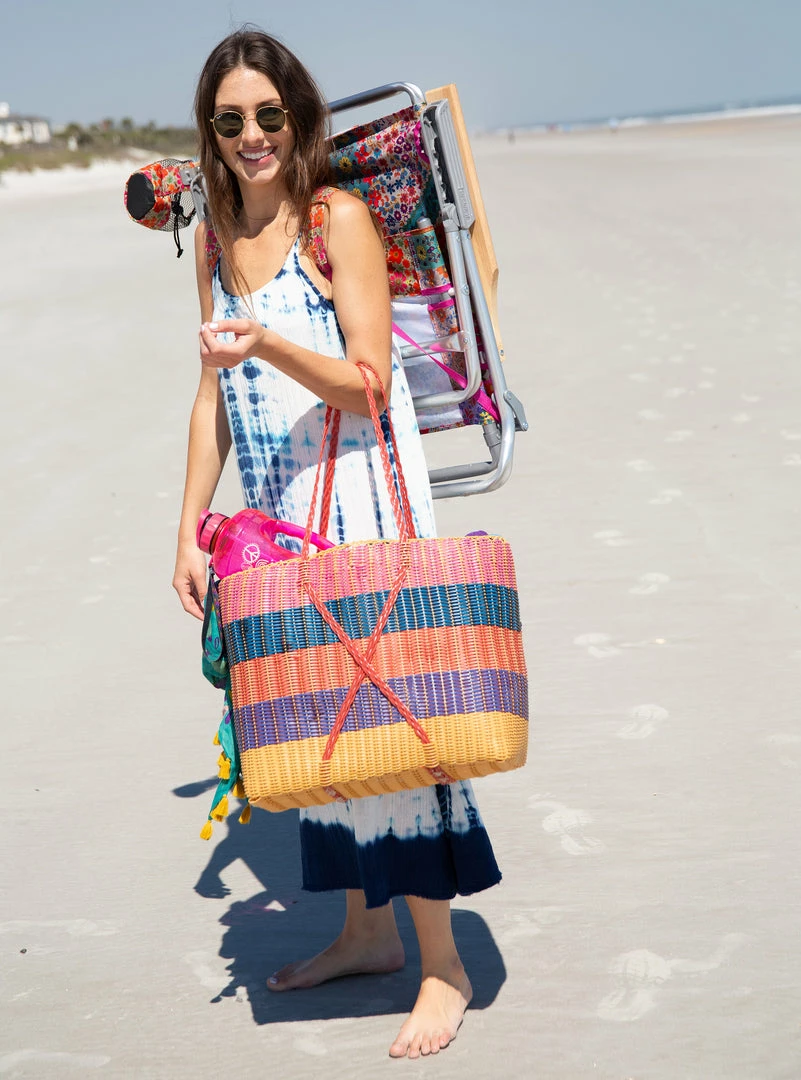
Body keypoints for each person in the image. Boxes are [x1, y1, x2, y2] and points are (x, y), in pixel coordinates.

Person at [172, 28, 502, 1059]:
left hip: (362, 502)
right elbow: (210, 397)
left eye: (270, 115)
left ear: (299, 118)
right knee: (318, 722)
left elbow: (368, 381)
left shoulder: (337, 219)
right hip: (279, 514)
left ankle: (443, 964)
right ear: (210, 132)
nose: (253, 136)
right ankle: (366, 934)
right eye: (231, 120)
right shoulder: (214, 239)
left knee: (398, 722)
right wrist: (187, 529)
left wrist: (269, 341)